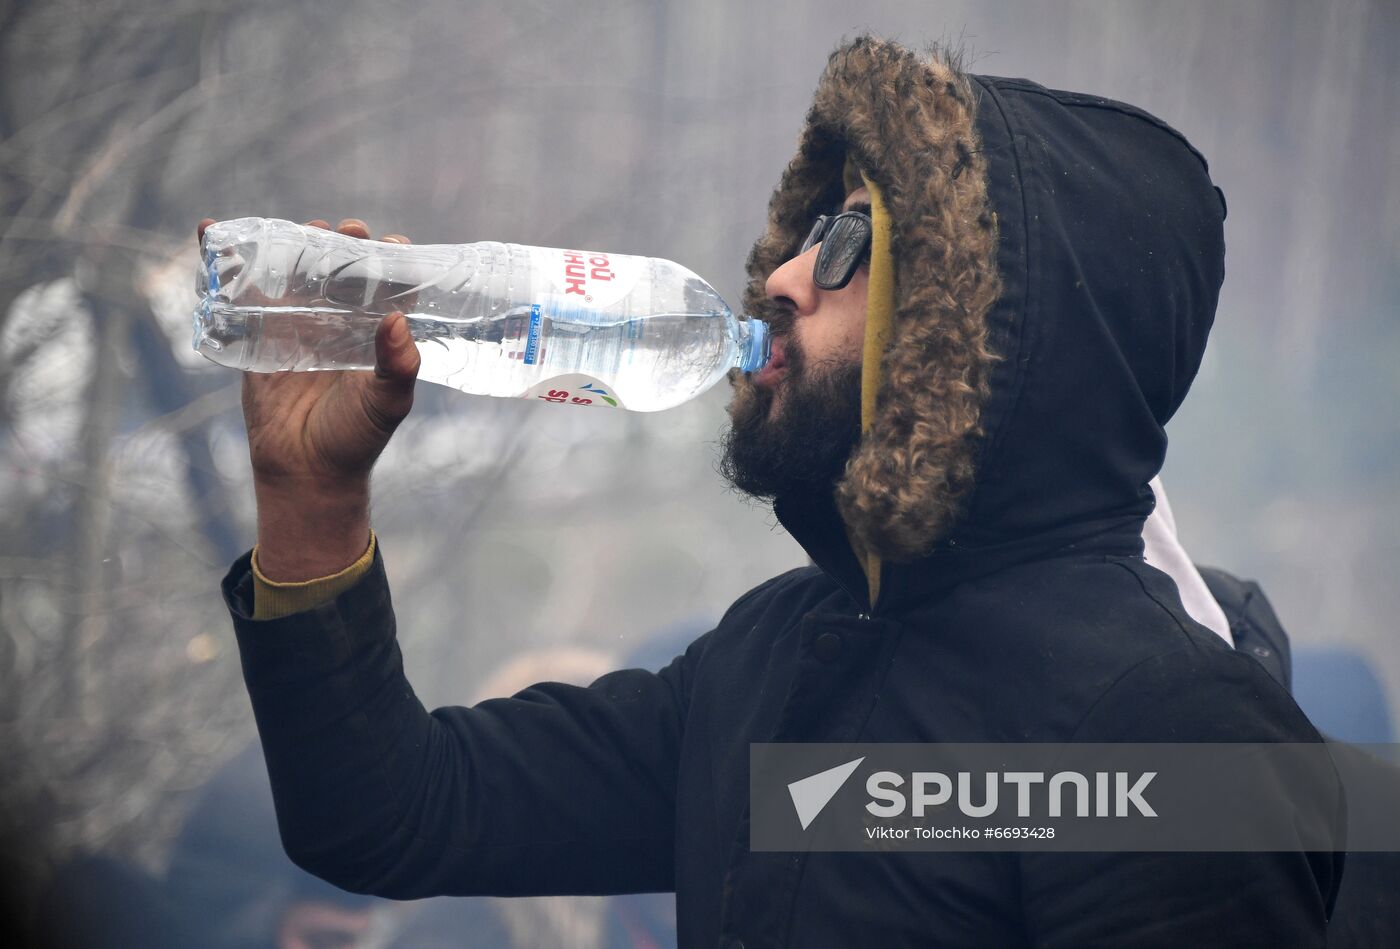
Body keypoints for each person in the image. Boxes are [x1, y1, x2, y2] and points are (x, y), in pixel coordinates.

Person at [212, 36, 1344, 946]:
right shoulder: (766, 664)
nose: (788, 275)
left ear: (980, 330)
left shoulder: (1165, 731)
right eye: (810, 228)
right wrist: (311, 501)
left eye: (853, 240)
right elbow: (394, 815)